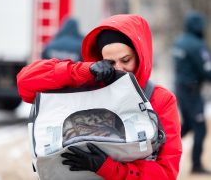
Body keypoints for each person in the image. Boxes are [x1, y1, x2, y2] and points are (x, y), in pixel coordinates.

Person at [17, 14, 182, 180]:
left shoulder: (160, 100)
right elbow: (25, 83)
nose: (119, 69)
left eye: (126, 60)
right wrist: (83, 71)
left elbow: (166, 173)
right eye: (110, 62)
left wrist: (109, 168)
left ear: (140, 55)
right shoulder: (89, 86)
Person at [172, 10, 211, 174]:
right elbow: (207, 70)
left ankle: (160, 147)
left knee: (188, 124)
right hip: (192, 92)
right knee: (200, 128)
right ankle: (196, 165)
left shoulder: (179, 42)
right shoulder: (197, 45)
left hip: (181, 89)